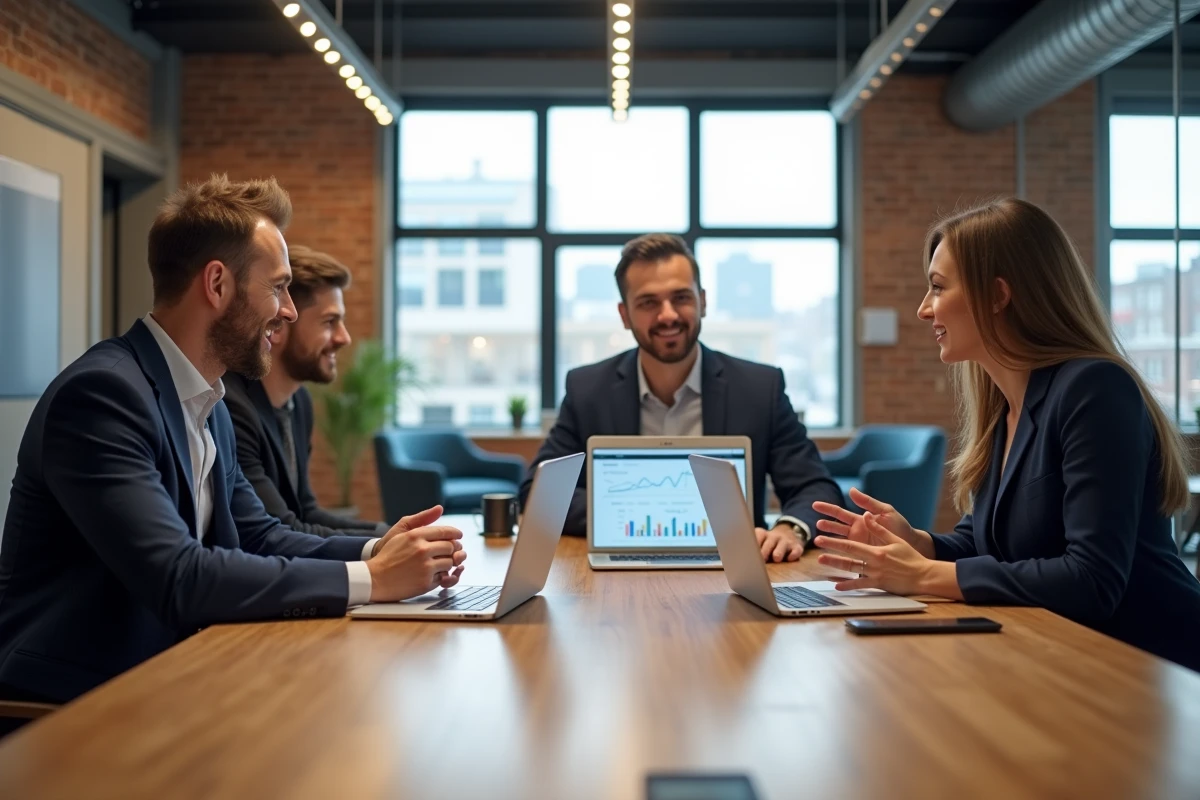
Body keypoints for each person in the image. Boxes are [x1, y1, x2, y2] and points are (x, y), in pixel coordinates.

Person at [0, 174, 466, 706]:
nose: (288, 310)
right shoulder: (103, 396)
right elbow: (179, 575)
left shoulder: (208, 399)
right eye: (277, 287)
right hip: (71, 696)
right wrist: (373, 579)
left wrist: (377, 549)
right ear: (217, 284)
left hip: (167, 671)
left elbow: (258, 535)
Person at [811, 198, 1200, 672]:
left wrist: (926, 575)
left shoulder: (1094, 388)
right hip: (1059, 655)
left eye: (938, 287)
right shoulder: (1005, 405)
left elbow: (1092, 580)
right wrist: (917, 542)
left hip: (1152, 666)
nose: (923, 309)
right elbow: (985, 542)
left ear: (997, 295)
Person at [521, 233, 843, 561]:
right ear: (625, 315)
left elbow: (817, 489)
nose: (668, 315)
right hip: (615, 574)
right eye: (648, 303)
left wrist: (790, 529)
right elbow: (538, 493)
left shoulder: (760, 388)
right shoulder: (588, 389)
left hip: (736, 571)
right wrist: (637, 515)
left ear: (702, 301)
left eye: (681, 298)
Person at [224, 244, 386, 537]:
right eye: (329, 322)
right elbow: (282, 528)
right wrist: (384, 544)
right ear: (280, 324)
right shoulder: (232, 407)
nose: (344, 338)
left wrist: (391, 533)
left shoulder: (299, 402)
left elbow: (306, 510)